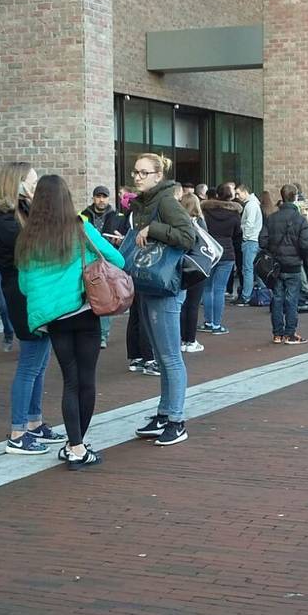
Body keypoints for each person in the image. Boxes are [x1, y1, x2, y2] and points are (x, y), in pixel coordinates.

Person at [17, 174, 123, 468]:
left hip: (56, 320)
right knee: (87, 380)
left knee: (70, 381)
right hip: (85, 312)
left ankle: (74, 444)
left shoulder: (28, 236)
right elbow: (117, 260)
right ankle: (77, 446)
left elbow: (26, 286)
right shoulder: (81, 228)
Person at [0, 162, 67, 454]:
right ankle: (18, 431)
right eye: (31, 180)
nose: (35, 185)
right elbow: (33, 250)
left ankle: (33, 422)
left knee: (39, 363)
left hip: (32, 293)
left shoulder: (21, 213)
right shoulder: (5, 221)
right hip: (21, 295)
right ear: (16, 183)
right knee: (30, 364)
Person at [129, 153, 197, 446]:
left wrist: (152, 229)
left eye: (144, 173)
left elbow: (188, 235)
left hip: (165, 285)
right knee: (161, 353)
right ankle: (164, 412)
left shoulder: (165, 201)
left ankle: (176, 420)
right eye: (135, 172)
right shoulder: (143, 203)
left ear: (158, 176)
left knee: (170, 355)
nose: (137, 177)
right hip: (149, 283)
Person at [260, 183, 308, 345]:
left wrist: (273, 250)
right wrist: (302, 257)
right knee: (291, 299)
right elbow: (306, 244)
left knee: (277, 298)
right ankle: (290, 333)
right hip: (294, 264)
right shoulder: (300, 220)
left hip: (276, 264)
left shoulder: (272, 218)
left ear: (282, 197)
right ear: (295, 197)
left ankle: (277, 333)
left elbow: (262, 241)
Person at [83, 185, 123, 348]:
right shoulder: (83, 216)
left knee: (104, 297)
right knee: (87, 298)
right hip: (87, 261)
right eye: (98, 196)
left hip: (107, 262)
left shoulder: (118, 216)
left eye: (104, 197)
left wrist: (119, 240)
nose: (101, 200)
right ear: (93, 198)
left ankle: (103, 335)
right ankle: (89, 331)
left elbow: (124, 236)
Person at [200, 182, 242, 335]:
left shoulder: (205, 212)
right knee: (219, 290)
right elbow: (238, 234)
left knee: (207, 288)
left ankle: (208, 321)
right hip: (227, 252)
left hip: (209, 252)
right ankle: (217, 325)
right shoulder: (234, 214)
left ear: (216, 194)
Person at [178, 193, 207, 353]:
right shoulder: (200, 223)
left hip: (182, 265)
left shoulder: (179, 222)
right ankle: (190, 340)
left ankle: (182, 338)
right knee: (193, 304)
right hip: (197, 266)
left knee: (183, 303)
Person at [234, 183, 264, 306]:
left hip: (250, 240)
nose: (237, 196)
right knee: (254, 269)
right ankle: (265, 291)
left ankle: (246, 296)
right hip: (254, 239)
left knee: (247, 269)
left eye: (238, 193)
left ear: (245, 191)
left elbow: (249, 224)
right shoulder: (254, 204)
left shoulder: (250, 205)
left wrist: (244, 236)